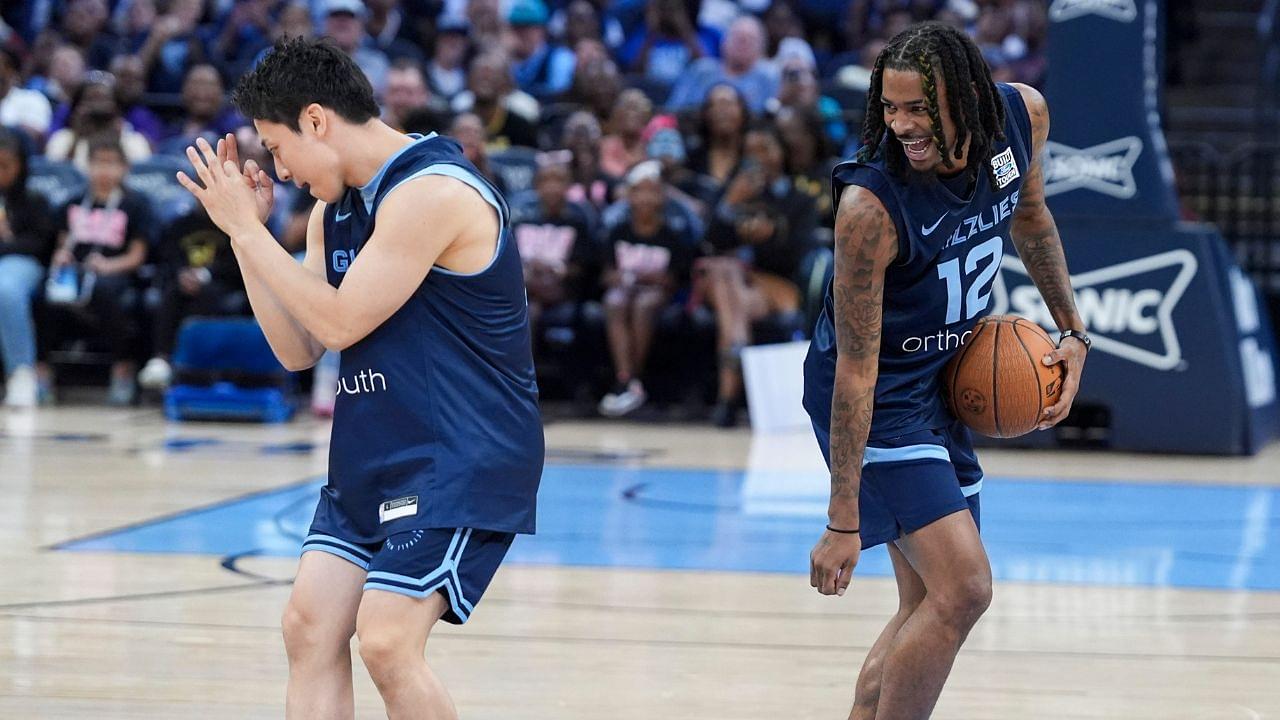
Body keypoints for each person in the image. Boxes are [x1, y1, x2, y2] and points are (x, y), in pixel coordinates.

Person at [174, 37, 543, 719]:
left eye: (277, 148)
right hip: (375, 452)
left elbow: (341, 323)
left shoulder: (432, 191)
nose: (279, 172)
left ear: (316, 120)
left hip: (461, 456)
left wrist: (251, 237)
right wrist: (243, 235)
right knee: (308, 628)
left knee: (386, 640)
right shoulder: (330, 210)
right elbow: (299, 348)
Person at [801, 22, 1088, 719]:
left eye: (918, 109)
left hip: (942, 383)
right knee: (964, 590)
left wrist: (1072, 330)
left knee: (928, 604)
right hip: (880, 397)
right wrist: (842, 519)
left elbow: (1031, 217)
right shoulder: (871, 206)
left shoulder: (1023, 117)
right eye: (890, 107)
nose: (900, 125)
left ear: (965, 97)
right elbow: (855, 373)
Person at [45, 135, 152, 405]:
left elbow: (137, 256)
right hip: (77, 272)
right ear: (86, 166)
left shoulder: (136, 204)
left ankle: (122, 367)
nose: (104, 171)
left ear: (125, 167)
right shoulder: (73, 201)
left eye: (111, 164)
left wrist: (108, 266)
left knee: (105, 292)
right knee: (42, 293)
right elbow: (62, 242)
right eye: (98, 163)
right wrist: (62, 256)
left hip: (116, 272)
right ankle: (41, 370)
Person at [0, 128, 56, 407]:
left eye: (4, 166)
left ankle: (21, 373)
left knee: (5, 288)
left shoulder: (35, 200)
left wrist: (7, 241)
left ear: (20, 166)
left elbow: (39, 245)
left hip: (22, 264)